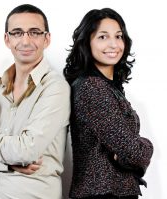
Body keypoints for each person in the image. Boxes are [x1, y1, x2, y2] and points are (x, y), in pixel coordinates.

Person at [0, 4, 70, 199]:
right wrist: (6, 163)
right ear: (7, 39)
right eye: (17, 33)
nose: (25, 40)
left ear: (46, 39)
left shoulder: (55, 88)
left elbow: (26, 150)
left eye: (34, 32)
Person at [63, 8, 153, 199]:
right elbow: (131, 151)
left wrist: (128, 151)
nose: (113, 44)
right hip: (103, 193)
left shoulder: (109, 87)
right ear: (87, 42)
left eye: (118, 36)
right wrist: (148, 146)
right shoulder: (92, 87)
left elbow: (126, 150)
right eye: (103, 37)